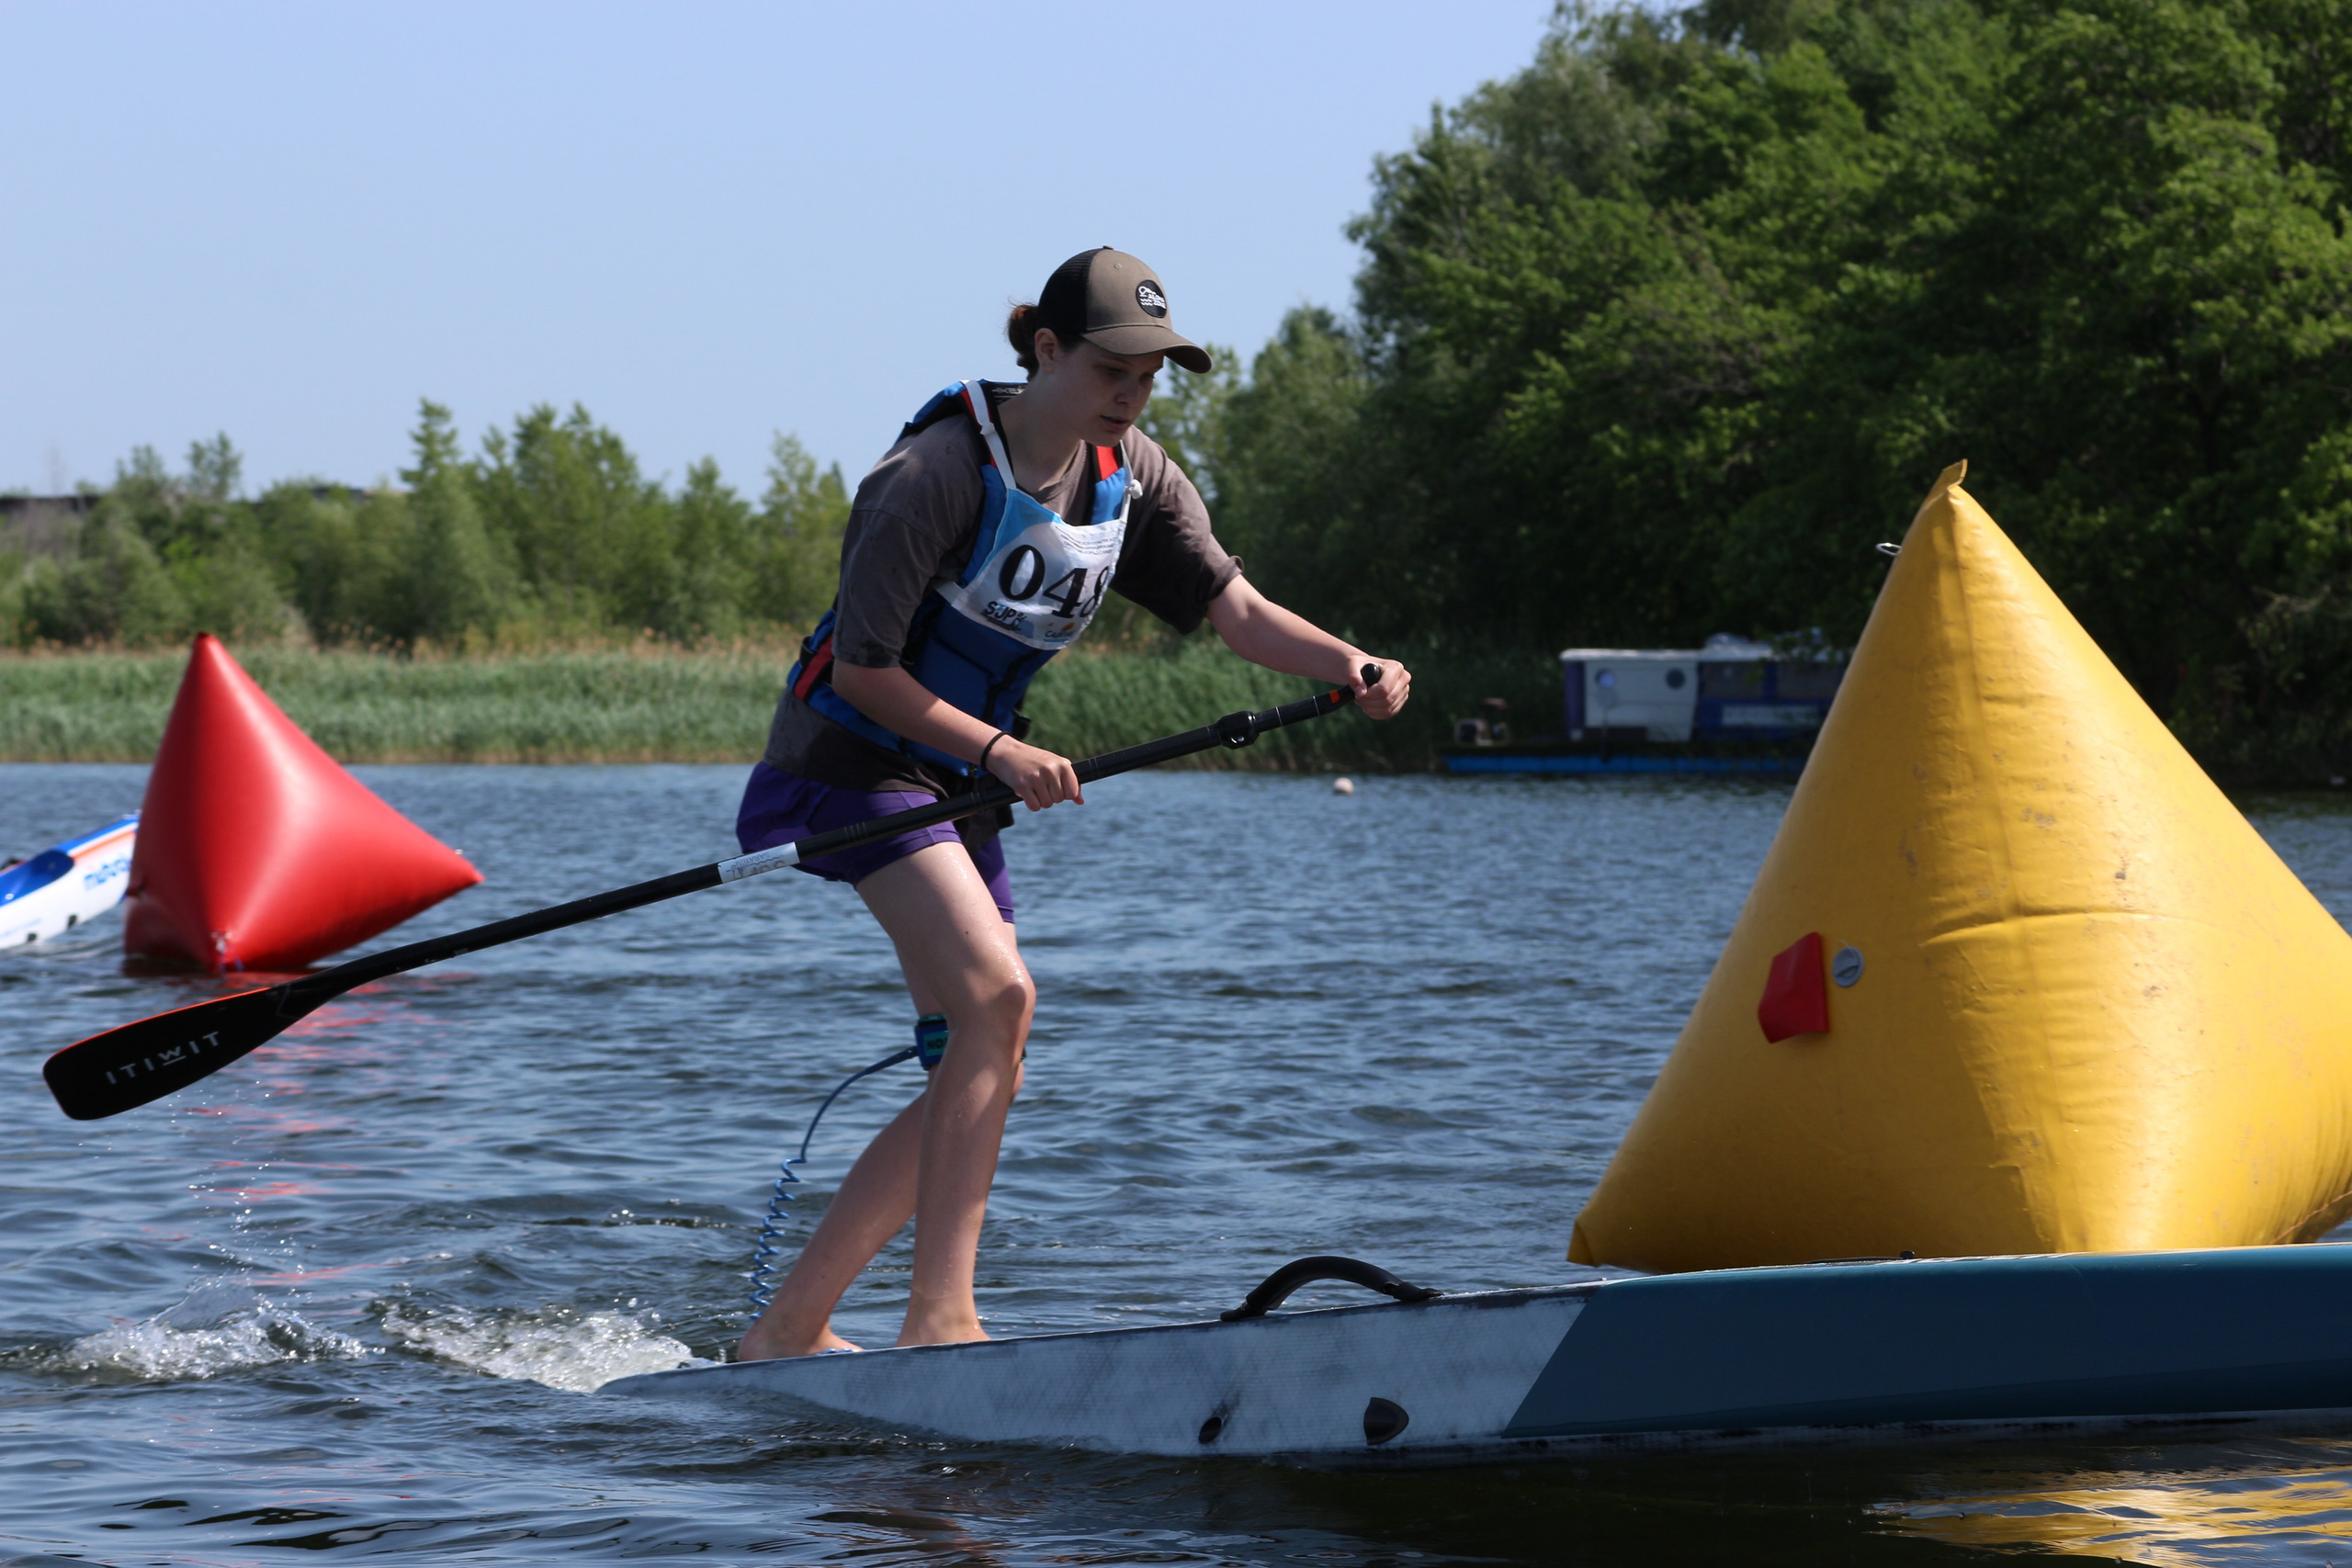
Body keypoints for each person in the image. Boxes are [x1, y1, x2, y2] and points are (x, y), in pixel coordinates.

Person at [734, 247, 1411, 1360]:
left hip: (958, 779)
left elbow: (1234, 610)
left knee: (982, 1044)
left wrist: (1350, 662)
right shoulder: (932, 476)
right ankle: (938, 1322)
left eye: (1150, 375)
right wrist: (1000, 751)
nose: (1133, 393)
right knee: (998, 1004)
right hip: (852, 764)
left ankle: (788, 1332)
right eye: (1113, 368)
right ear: (1044, 350)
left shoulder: (1133, 471)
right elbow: (863, 672)